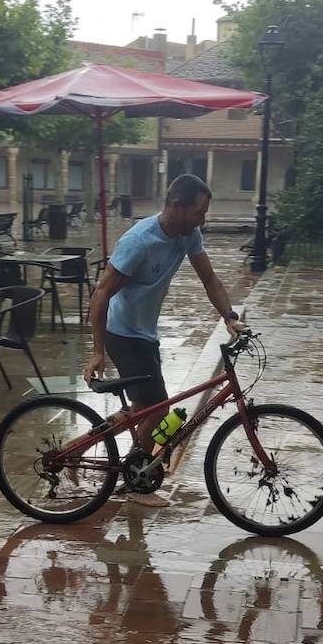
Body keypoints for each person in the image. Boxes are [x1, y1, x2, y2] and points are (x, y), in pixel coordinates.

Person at [84, 173, 242, 508]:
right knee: (160, 408)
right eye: (199, 212)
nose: (203, 219)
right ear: (175, 206)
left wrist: (229, 316)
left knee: (145, 408)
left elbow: (210, 278)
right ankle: (135, 480)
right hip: (123, 332)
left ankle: (81, 445)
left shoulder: (188, 235)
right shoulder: (139, 241)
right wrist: (97, 352)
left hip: (145, 332)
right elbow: (101, 292)